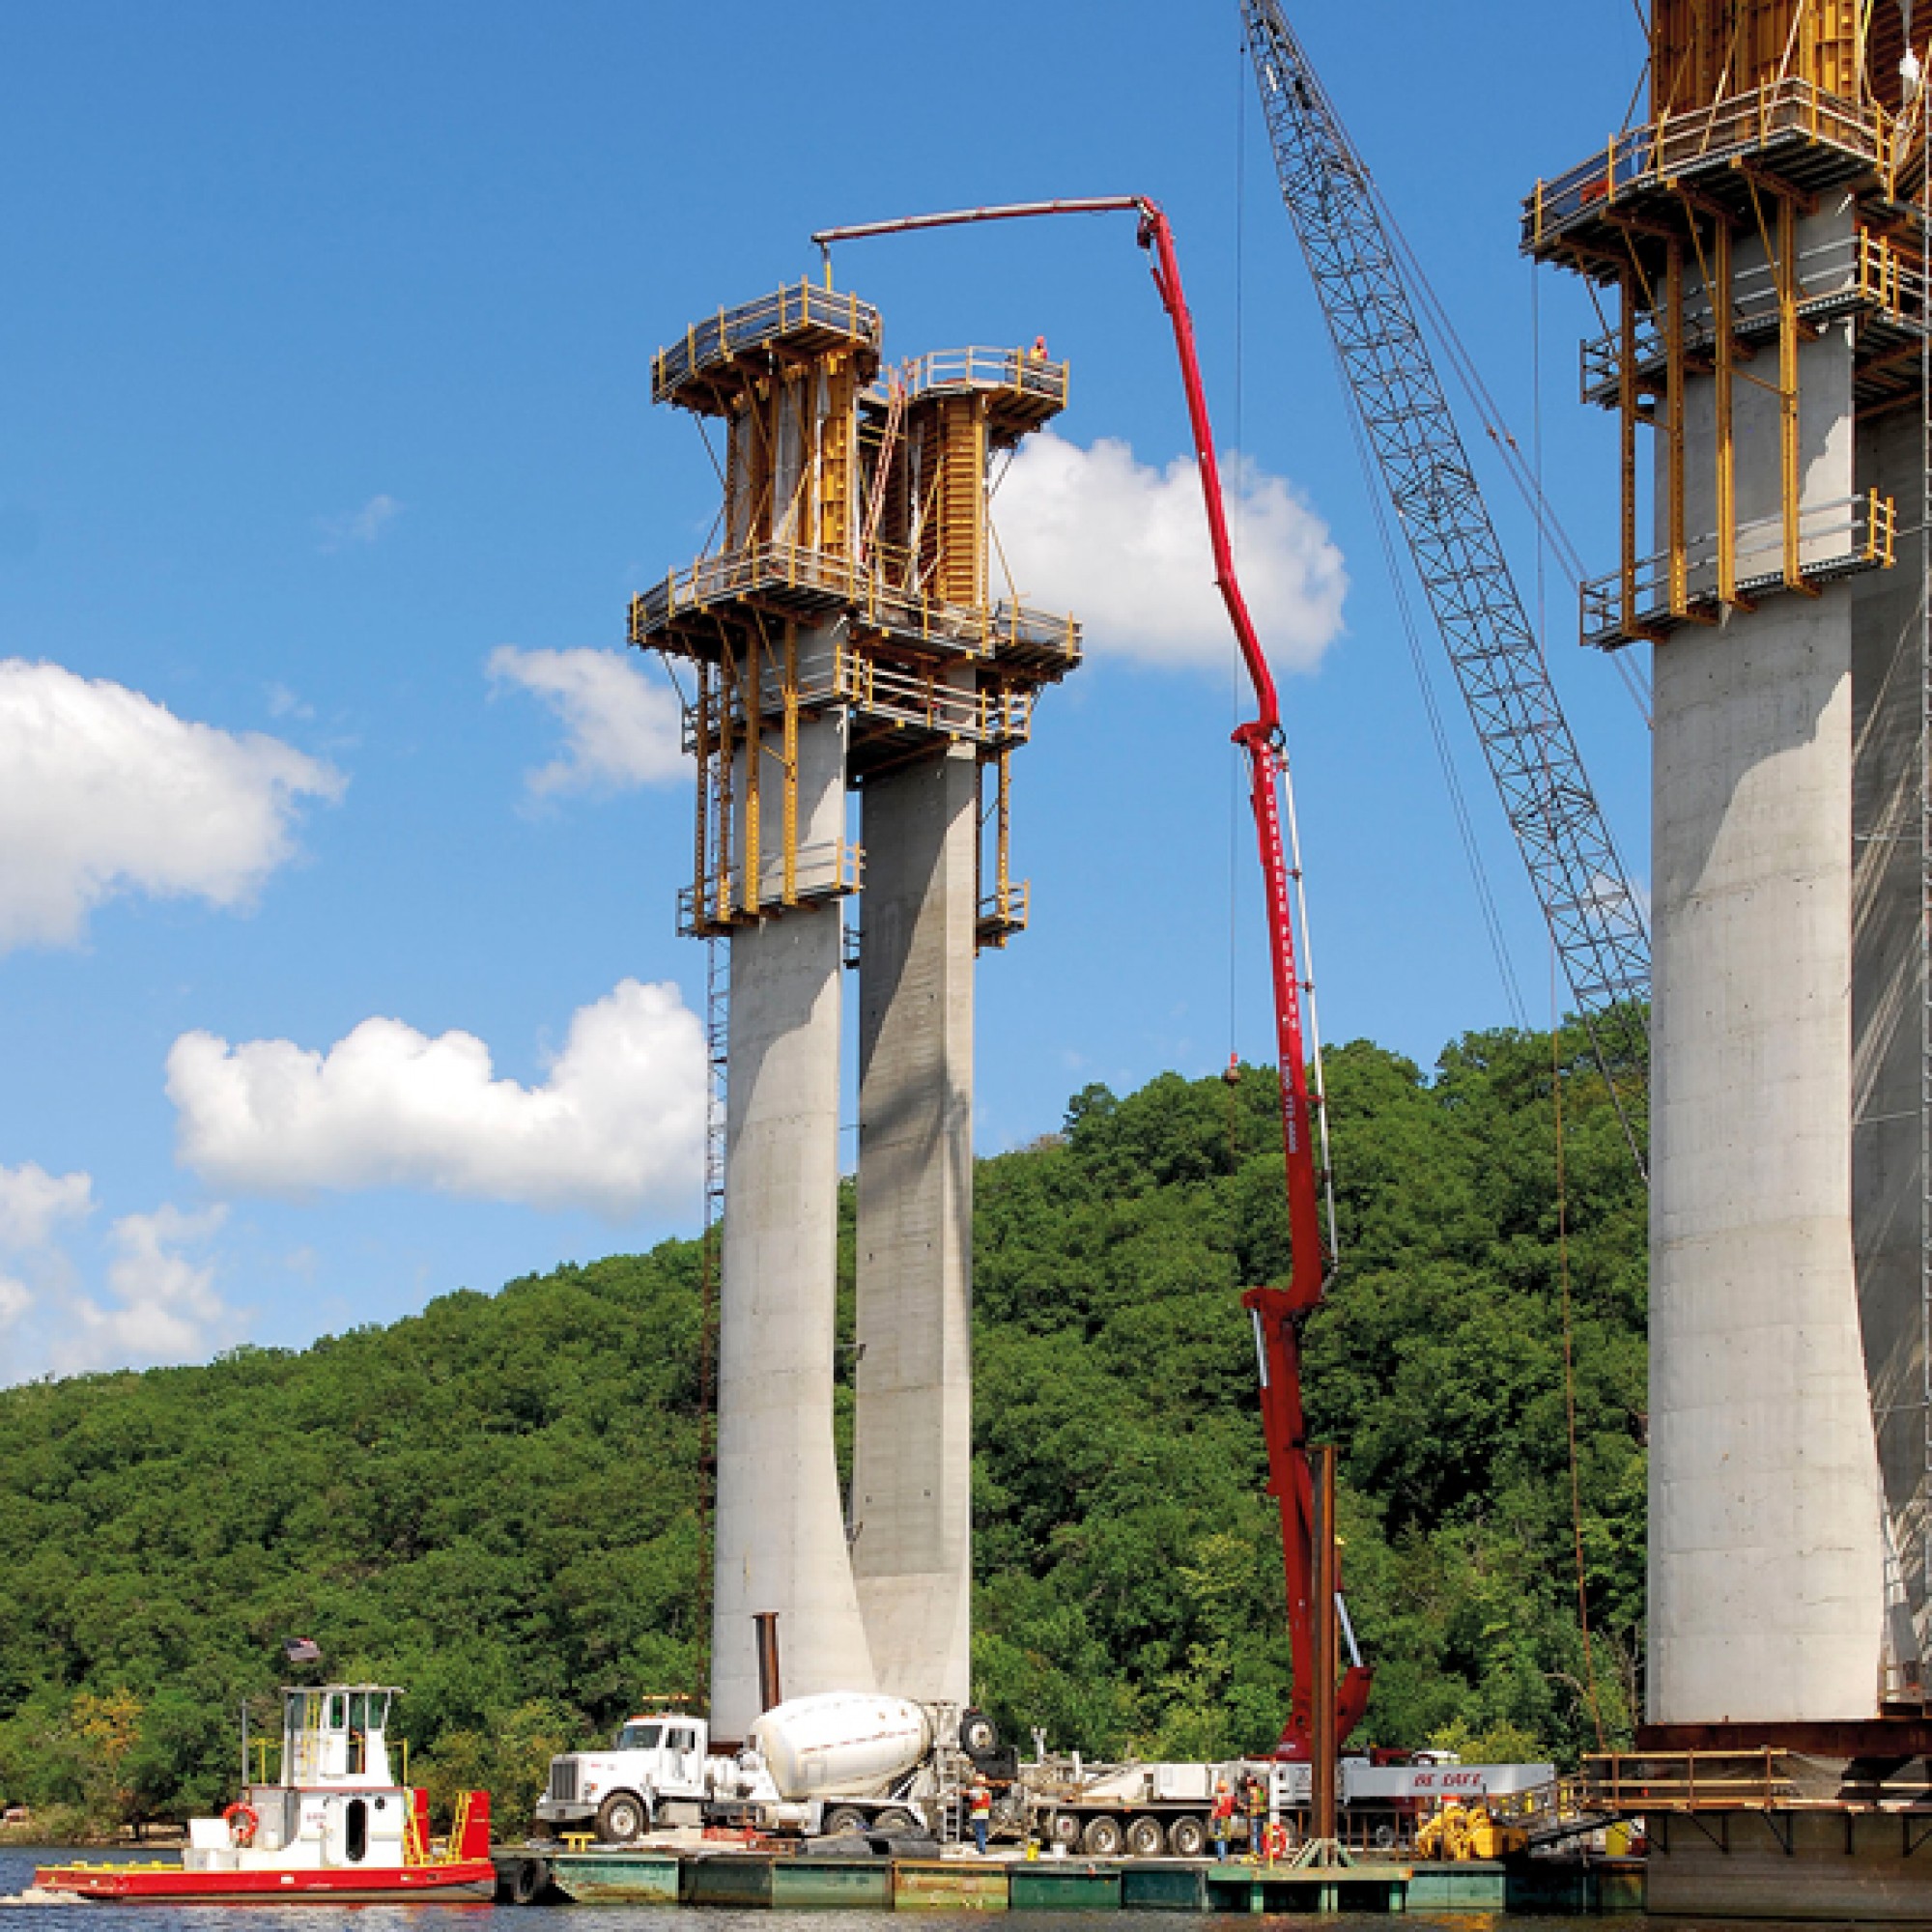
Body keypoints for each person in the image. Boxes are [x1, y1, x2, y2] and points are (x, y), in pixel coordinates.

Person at [1210, 1780, 1236, 1862]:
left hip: (1219, 1818)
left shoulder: (1217, 1797)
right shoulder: (1229, 1796)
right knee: (1224, 1837)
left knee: (1219, 1837)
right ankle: (1223, 1856)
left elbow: (1215, 1807)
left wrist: (1213, 1815)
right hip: (1227, 1818)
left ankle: (1221, 1857)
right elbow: (1236, 1803)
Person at [968, 1779, 993, 1857]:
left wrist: (953, 1791)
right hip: (985, 1814)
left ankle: (981, 1849)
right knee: (982, 1831)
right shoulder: (987, 1792)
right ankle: (981, 1848)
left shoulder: (976, 1791)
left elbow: (967, 1793)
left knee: (979, 1832)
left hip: (978, 1814)